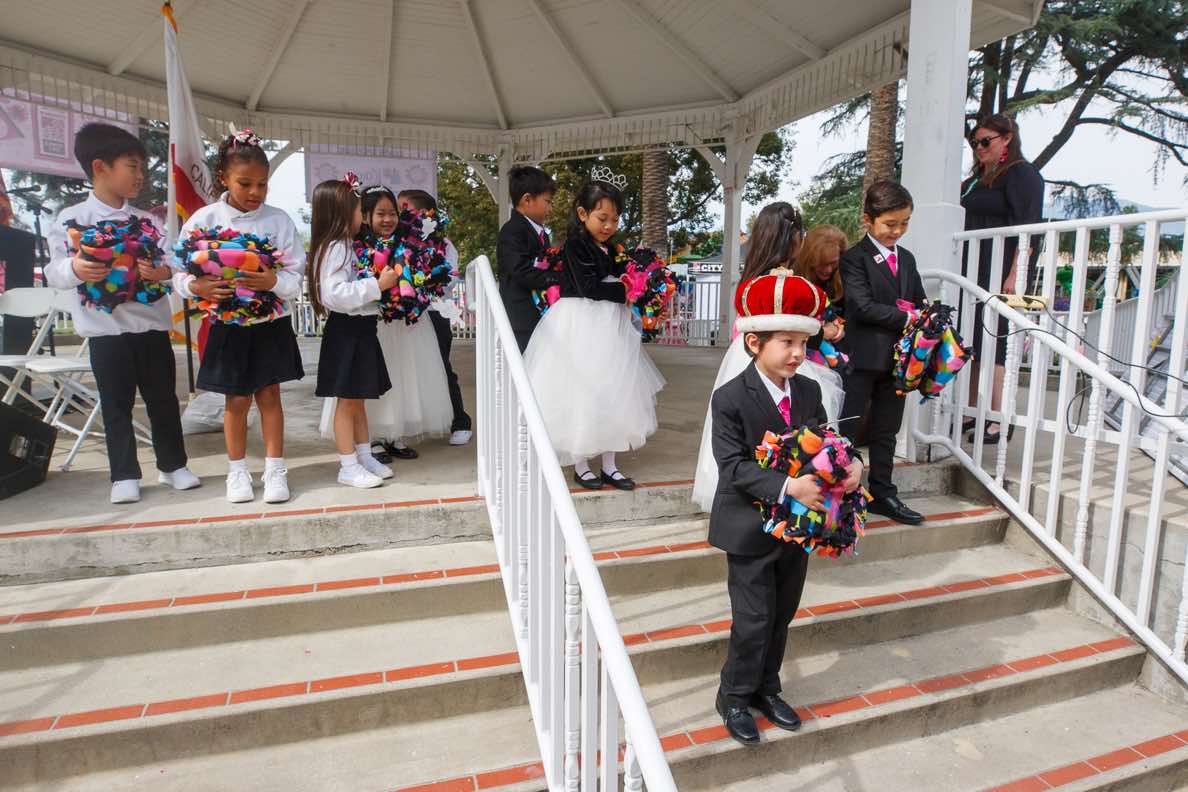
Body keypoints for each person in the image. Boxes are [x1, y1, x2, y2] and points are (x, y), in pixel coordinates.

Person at [709, 270, 863, 745]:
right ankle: (734, 695)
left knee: (782, 613)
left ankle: (766, 689)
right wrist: (788, 486)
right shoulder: (730, 398)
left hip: (798, 528)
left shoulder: (809, 391)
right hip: (749, 527)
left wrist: (853, 464)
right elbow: (732, 466)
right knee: (753, 619)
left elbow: (828, 442)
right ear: (754, 342)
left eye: (803, 342)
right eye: (787, 342)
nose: (798, 353)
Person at [44, 122, 198, 504]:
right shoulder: (71, 220)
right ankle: (124, 474)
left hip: (152, 328)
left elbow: (173, 263)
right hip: (105, 332)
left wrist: (162, 273)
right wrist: (77, 268)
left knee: (163, 400)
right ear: (100, 167)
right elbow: (55, 271)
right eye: (132, 166)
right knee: (116, 405)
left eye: (141, 167)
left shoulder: (150, 222)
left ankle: (173, 465)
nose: (140, 175)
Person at [173, 129, 306, 504]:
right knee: (236, 400)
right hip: (228, 326)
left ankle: (275, 469)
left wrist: (273, 280)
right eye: (245, 183)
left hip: (269, 325)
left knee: (270, 395)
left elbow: (295, 277)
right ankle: (237, 472)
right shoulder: (204, 219)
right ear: (223, 178)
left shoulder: (279, 221)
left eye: (262, 184)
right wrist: (196, 286)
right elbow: (179, 271)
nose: (255, 192)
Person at [692, 203, 845, 513]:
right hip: (763, 353)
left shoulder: (753, 277)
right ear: (793, 239)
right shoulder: (777, 283)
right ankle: (779, 487)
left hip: (760, 350)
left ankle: (788, 486)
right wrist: (824, 331)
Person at [523, 177, 665, 490]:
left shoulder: (612, 248)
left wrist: (641, 283)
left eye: (615, 219)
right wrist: (626, 291)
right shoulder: (576, 246)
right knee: (583, 390)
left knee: (613, 390)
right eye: (602, 218)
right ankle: (581, 463)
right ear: (583, 214)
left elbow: (621, 276)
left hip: (609, 326)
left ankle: (610, 465)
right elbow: (588, 287)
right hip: (581, 323)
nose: (609, 225)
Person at [322, 185, 452, 459]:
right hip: (373, 323)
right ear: (365, 216)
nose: (388, 219)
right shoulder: (354, 246)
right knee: (370, 380)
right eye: (380, 213)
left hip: (406, 323)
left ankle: (395, 433)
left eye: (392, 213)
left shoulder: (410, 241)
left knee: (403, 375)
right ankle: (372, 438)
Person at [839, 180, 928, 525]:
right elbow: (861, 306)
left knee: (887, 430)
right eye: (890, 224)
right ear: (868, 219)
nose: (898, 230)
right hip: (862, 358)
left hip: (898, 361)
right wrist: (908, 316)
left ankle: (883, 493)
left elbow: (918, 300)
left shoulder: (907, 259)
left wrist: (926, 315)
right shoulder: (854, 258)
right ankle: (841, 493)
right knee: (847, 428)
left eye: (904, 223)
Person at [308, 178, 397, 489]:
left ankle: (363, 455)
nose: (362, 215)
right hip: (346, 331)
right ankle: (348, 465)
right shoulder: (335, 248)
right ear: (342, 212)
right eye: (359, 209)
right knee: (346, 402)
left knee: (358, 400)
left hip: (361, 328)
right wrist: (377, 285)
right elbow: (334, 294)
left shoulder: (345, 245)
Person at [961, 113, 1044, 443]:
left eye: (986, 141)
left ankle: (999, 417)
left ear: (1007, 138)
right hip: (973, 270)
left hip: (1000, 271)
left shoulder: (1022, 174)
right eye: (975, 142)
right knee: (971, 340)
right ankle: (970, 411)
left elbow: (1028, 227)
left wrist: (1015, 273)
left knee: (996, 343)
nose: (979, 147)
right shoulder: (978, 179)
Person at [397, 188, 471, 446]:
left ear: (421, 213)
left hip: (434, 313)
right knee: (406, 369)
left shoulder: (444, 245)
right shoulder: (397, 243)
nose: (399, 214)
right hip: (405, 315)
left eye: (403, 208)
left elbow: (449, 279)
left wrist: (423, 284)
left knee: (442, 366)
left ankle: (460, 421)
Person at [496, 165, 558, 353]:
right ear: (527, 200)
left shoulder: (541, 233)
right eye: (547, 202)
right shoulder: (512, 231)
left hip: (539, 313)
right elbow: (521, 271)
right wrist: (557, 279)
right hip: (522, 317)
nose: (550, 208)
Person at [793, 224, 849, 365]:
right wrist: (822, 332)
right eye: (822, 264)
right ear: (809, 259)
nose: (828, 270)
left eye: (833, 263)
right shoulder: (795, 282)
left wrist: (843, 329)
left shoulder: (848, 279)